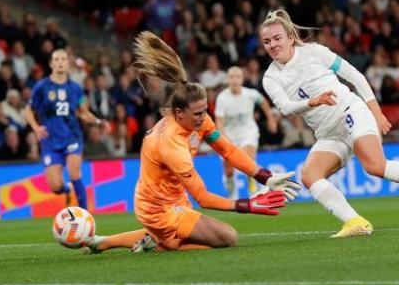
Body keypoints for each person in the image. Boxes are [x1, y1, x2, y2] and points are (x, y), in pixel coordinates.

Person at [86, 32, 300, 253]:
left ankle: (107, 242)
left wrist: (265, 176)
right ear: (179, 113)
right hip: (157, 208)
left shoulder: (200, 121)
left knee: (201, 239)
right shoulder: (171, 142)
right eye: (197, 113)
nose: (203, 117)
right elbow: (203, 198)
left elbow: (226, 149)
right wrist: (248, 205)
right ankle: (161, 242)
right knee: (227, 237)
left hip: (175, 198)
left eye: (205, 111)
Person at [260, 9, 399, 238]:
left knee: (375, 165)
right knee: (310, 175)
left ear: (289, 36)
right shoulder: (270, 77)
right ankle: (356, 222)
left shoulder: (314, 52)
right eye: (267, 41)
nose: (272, 45)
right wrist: (313, 101)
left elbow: (355, 76)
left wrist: (376, 112)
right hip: (328, 133)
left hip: (350, 111)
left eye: (277, 38)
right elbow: (286, 107)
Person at [25, 49, 108, 209]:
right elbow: (28, 110)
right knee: (56, 187)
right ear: (51, 64)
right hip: (50, 140)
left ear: (68, 63)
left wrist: (98, 121)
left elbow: (83, 113)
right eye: (56, 59)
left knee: (74, 172)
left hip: (72, 136)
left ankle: (86, 219)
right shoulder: (41, 87)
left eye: (63, 59)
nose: (60, 62)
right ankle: (66, 189)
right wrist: (35, 127)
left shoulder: (75, 88)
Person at [214, 66, 278, 200]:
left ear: (242, 79)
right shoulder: (222, 98)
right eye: (232, 77)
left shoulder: (251, 94)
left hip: (248, 133)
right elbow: (219, 121)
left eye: (238, 77)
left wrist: (271, 118)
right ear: (227, 79)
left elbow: (263, 102)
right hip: (229, 137)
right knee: (229, 170)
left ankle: (254, 191)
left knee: (247, 161)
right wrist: (224, 139)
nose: (235, 80)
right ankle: (233, 197)